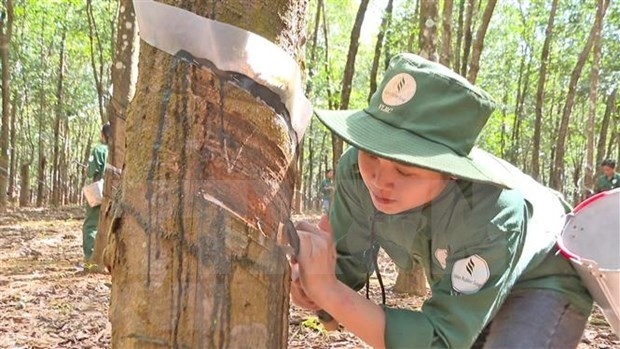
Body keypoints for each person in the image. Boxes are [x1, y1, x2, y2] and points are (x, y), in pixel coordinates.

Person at [290, 53, 592, 348]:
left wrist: (329, 291)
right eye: (370, 153)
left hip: (542, 278)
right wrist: (312, 283)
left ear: (451, 174)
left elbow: (441, 340)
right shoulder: (355, 170)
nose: (379, 180)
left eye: (404, 170)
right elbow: (346, 265)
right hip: (469, 284)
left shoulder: (492, 213)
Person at [81, 123, 110, 267]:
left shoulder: (99, 149)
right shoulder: (125, 148)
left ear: (103, 135)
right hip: (121, 191)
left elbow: (91, 171)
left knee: (91, 224)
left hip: (101, 190)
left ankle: (91, 258)